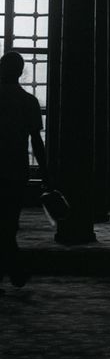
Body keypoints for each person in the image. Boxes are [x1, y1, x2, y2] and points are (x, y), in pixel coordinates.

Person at [0, 51, 49, 286]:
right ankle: (15, 269)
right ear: (20, 72)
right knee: (9, 223)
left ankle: (14, 269)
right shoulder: (29, 102)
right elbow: (36, 142)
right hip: (16, 170)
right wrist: (45, 171)